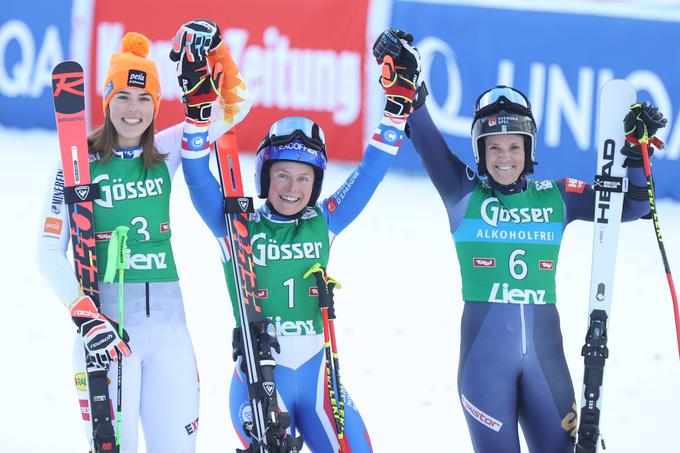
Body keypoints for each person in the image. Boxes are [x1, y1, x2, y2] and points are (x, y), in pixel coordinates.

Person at [373, 30, 665, 453]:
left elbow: (633, 208)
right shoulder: (462, 193)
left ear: (529, 150)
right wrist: (405, 76)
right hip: (483, 369)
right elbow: (421, 128)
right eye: (494, 147)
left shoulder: (558, 196)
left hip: (548, 366)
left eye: (514, 146)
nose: (504, 157)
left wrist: (638, 152)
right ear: (479, 151)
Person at [178, 24, 421, 453]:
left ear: (317, 182)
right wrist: (197, 118)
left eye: (303, 178)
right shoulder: (236, 225)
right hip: (258, 381)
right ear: (264, 177)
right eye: (282, 175)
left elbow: (368, 174)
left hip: (319, 383)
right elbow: (198, 178)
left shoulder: (323, 221)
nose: (291, 187)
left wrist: (396, 111)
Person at [37, 24, 249, 452]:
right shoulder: (76, 164)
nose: (133, 110)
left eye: (144, 99)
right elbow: (47, 252)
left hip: (171, 332)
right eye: (122, 97)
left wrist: (219, 51)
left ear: (155, 103)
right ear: (106, 100)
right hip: (108, 332)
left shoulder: (168, 150)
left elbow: (235, 108)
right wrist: (85, 315)